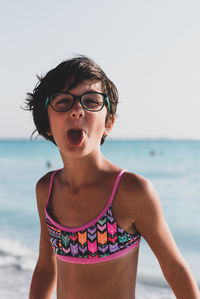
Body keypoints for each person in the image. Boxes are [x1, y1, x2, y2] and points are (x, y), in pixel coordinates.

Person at [26, 55, 200, 299]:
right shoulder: (47, 189)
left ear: (109, 121)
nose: (77, 110)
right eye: (64, 102)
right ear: (46, 124)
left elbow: (174, 269)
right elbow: (45, 268)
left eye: (91, 101)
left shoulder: (131, 191)